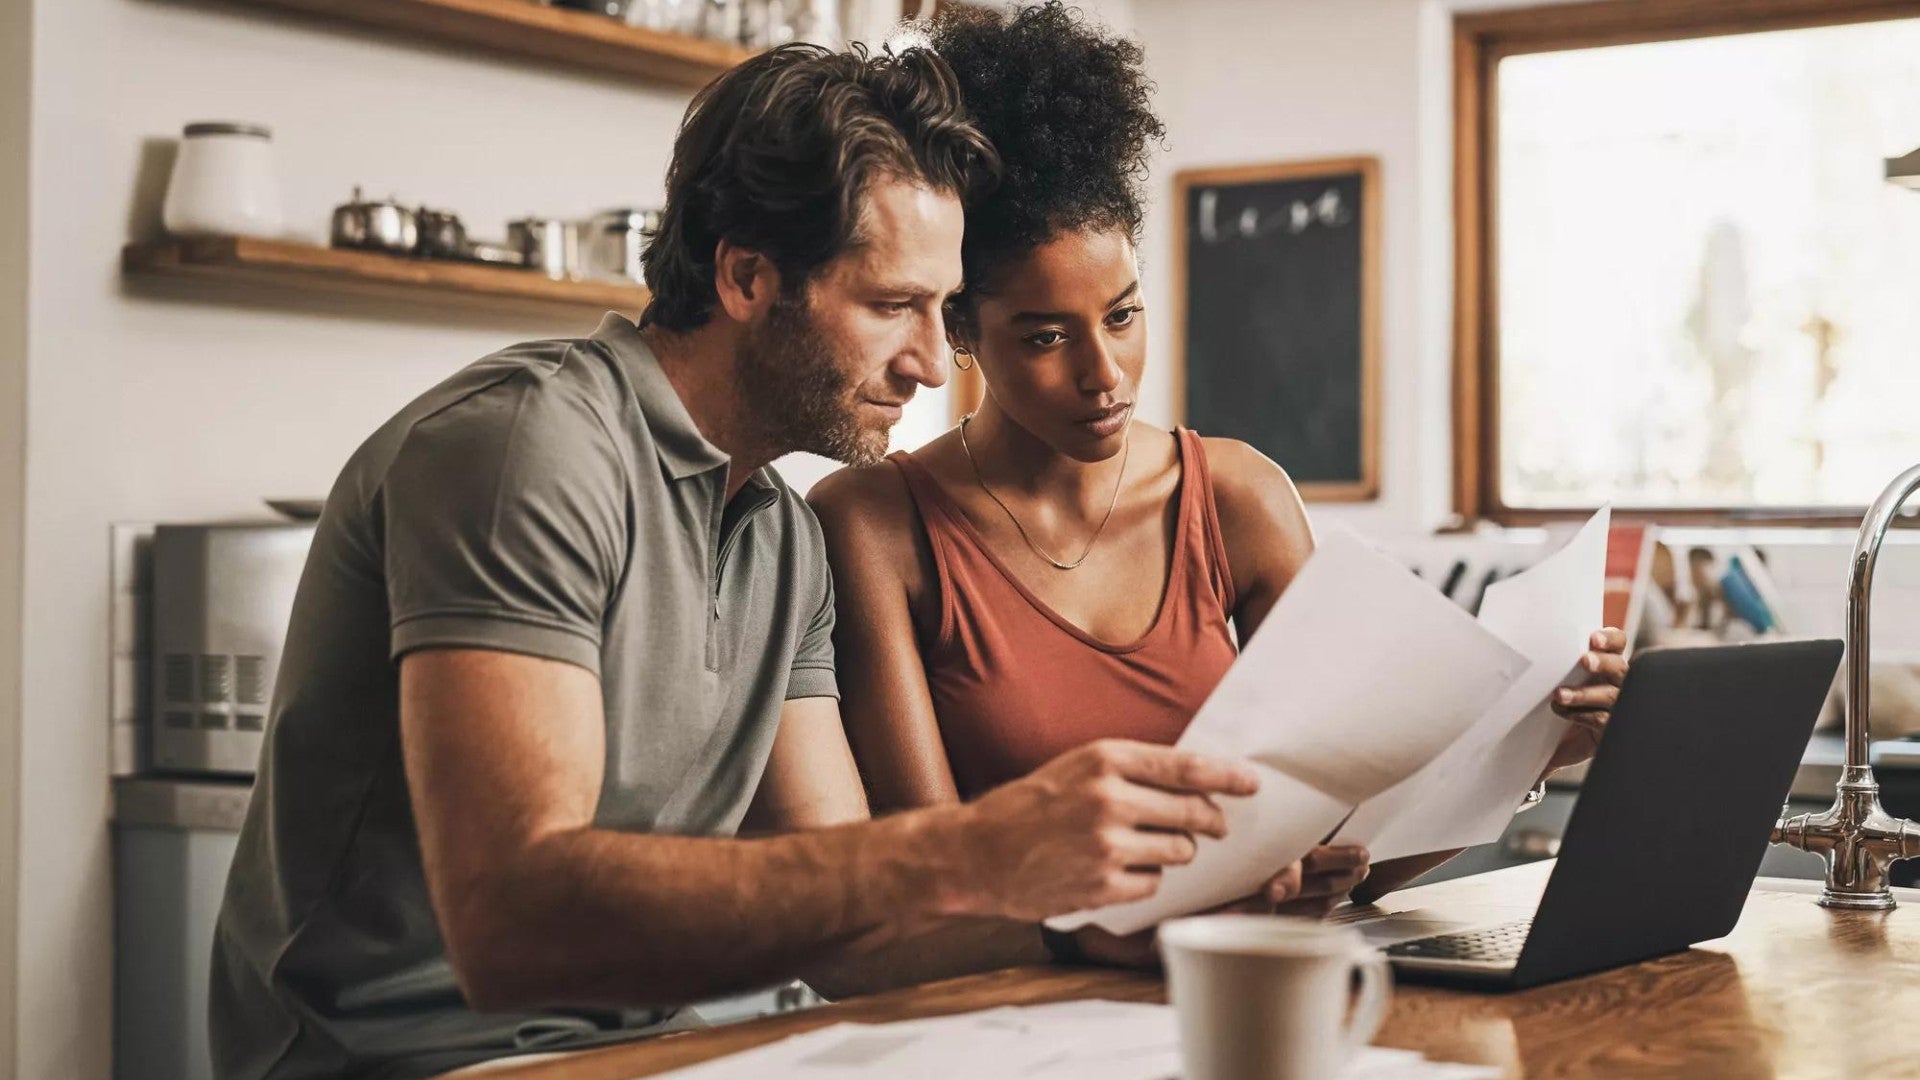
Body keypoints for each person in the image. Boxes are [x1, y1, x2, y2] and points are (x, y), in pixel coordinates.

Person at [209, 42, 1270, 1080]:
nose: (924, 361)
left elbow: (854, 934)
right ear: (748, 275)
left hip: (647, 1050)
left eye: (941, 312)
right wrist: (979, 847)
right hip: (411, 1059)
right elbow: (511, 923)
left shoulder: (780, 532)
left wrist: (1079, 935)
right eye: (890, 304)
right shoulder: (529, 449)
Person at [808, 2, 1628, 957]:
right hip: (1015, 1028)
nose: (1102, 374)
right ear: (957, 330)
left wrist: (1529, 748)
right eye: (1043, 337)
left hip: (1227, 1007)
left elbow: (1348, 854)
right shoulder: (874, 525)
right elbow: (929, 888)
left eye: (1122, 316)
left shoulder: (1238, 500)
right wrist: (1136, 929)